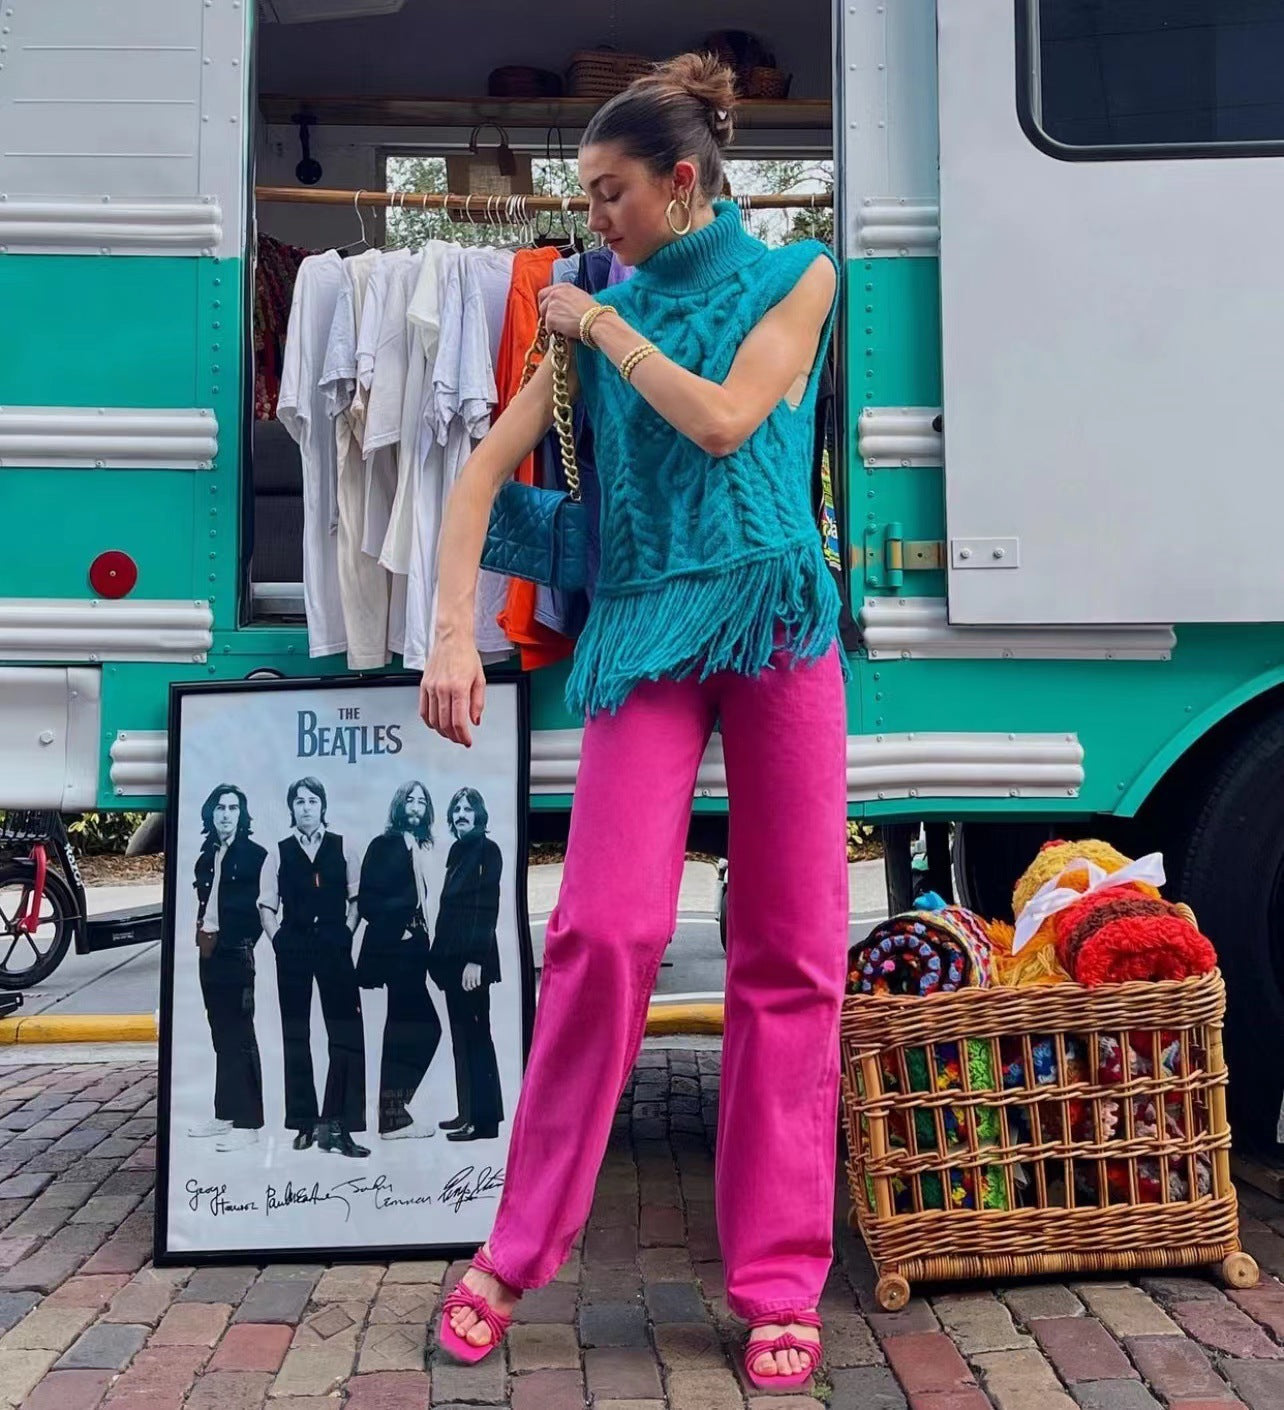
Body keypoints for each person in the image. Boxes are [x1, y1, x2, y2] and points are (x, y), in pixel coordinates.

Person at [421, 53, 846, 1388]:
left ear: (682, 180)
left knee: (791, 948)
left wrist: (601, 330)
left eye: (607, 195)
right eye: (584, 199)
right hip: (644, 633)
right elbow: (480, 476)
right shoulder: (582, 315)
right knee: (602, 928)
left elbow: (726, 422)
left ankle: (781, 1274)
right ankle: (516, 1245)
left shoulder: (801, 276)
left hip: (777, 621)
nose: (591, 220)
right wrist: (450, 631)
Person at [257, 777, 369, 1158]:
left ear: (323, 806)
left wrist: (346, 933)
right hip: (295, 947)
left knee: (346, 1032)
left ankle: (339, 1124)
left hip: (334, 946)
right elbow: (266, 904)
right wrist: (278, 941)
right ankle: (304, 1122)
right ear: (292, 809)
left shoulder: (343, 847)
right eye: (299, 802)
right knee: (296, 1033)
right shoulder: (279, 852)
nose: (306, 807)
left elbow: (357, 898)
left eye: (312, 801)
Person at [355, 780, 443, 1139]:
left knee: (402, 1027)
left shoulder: (423, 848)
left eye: (423, 801)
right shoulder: (383, 845)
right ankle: (393, 1115)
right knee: (425, 1028)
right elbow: (368, 903)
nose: (417, 805)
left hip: (417, 948)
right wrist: (401, 930)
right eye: (411, 799)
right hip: (397, 948)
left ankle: (392, 1115)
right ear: (399, 804)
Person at [190, 783, 266, 1153]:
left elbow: (265, 907)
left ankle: (249, 1122)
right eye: (219, 807)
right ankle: (225, 1114)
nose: (225, 814)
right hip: (209, 951)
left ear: (242, 814)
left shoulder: (255, 856)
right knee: (221, 1035)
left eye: (233, 808)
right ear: (211, 813)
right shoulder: (206, 856)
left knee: (241, 1036)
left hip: (237, 951)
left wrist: (245, 942)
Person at [426, 787, 504, 1143]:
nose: (461, 814)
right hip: (452, 963)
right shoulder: (459, 851)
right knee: (462, 1039)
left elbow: (486, 907)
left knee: (476, 1038)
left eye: (468, 809)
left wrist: (475, 959)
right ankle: (468, 1112)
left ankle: (485, 1121)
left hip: (472, 963)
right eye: (456, 808)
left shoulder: (488, 850)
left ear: (480, 815)